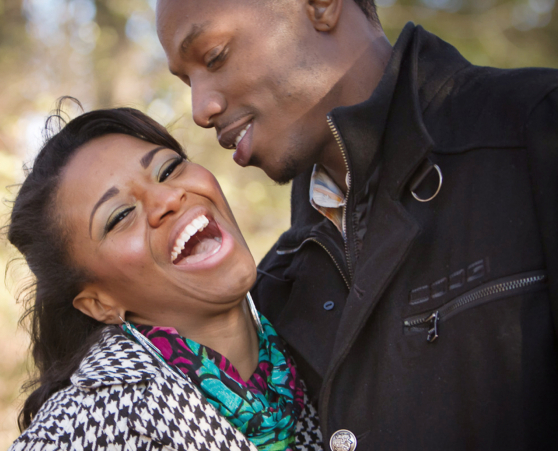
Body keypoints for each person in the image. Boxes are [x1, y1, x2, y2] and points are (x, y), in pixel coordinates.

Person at [155, 0, 558, 449]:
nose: (199, 109)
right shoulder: (270, 288)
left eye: (214, 57)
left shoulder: (536, 131)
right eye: (188, 80)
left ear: (322, 7)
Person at [6, 107, 325, 451]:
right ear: (99, 303)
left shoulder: (323, 335)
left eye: (169, 169)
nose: (170, 197)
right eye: (121, 215)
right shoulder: (70, 435)